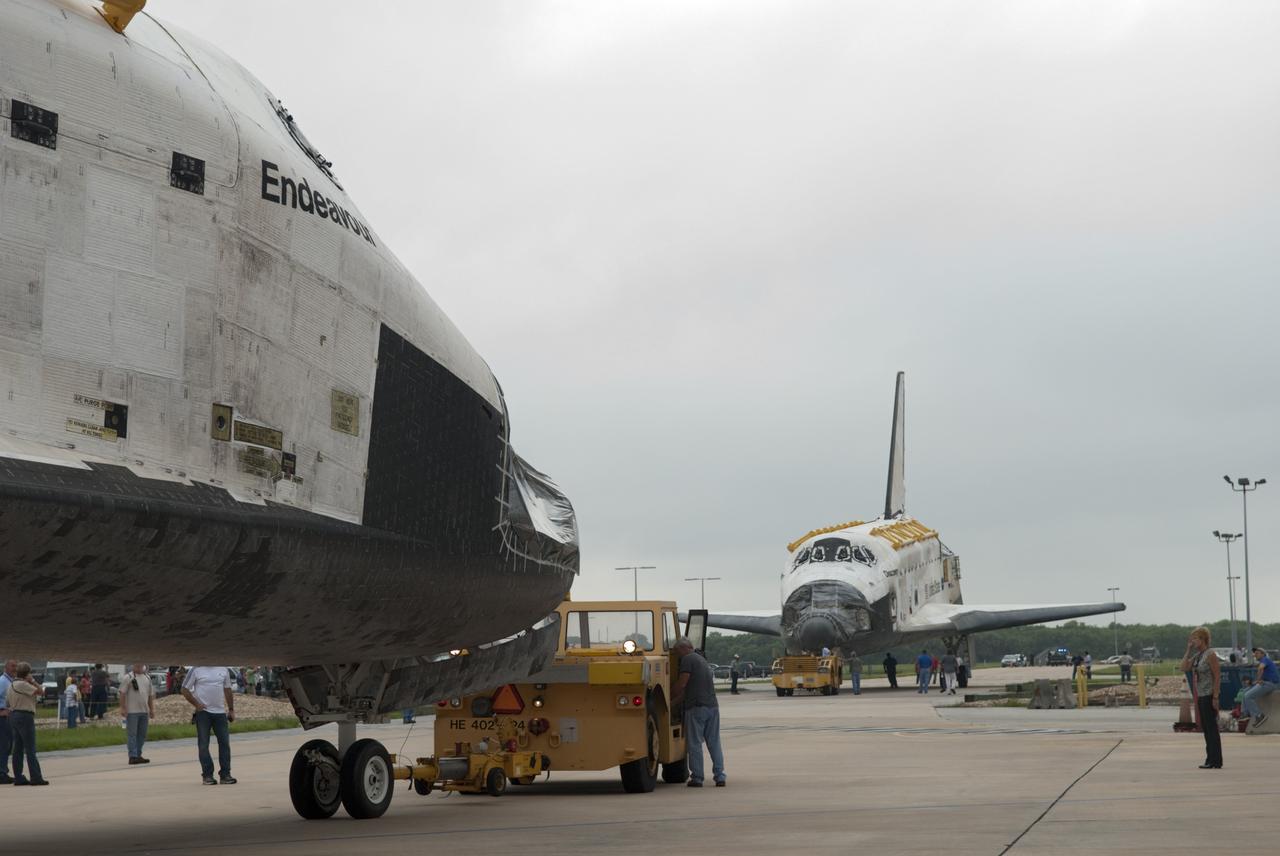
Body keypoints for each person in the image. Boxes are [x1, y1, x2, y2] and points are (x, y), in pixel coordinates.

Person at [671, 637, 725, 787]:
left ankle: (697, 777)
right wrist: (672, 703)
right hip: (712, 707)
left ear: (684, 648)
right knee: (714, 743)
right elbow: (689, 690)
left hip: (696, 708)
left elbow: (682, 684)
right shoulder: (702, 660)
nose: (677, 656)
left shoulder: (688, 659)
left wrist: (667, 695)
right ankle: (720, 776)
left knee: (694, 744)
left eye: (677, 652)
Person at [182, 666, 237, 785]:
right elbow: (184, 689)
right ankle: (207, 775)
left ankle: (225, 774)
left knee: (224, 744)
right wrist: (196, 704)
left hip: (220, 712)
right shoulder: (196, 669)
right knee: (203, 744)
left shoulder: (223, 669)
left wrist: (231, 709)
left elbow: (227, 690)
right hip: (203, 713)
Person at [1180, 627, 1222, 769]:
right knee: (1206, 728)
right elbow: (1184, 667)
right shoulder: (1198, 655)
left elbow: (1217, 676)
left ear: (1203, 639)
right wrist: (1188, 650)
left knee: (1211, 728)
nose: (1193, 641)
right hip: (1201, 695)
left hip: (1209, 694)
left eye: (1195, 638)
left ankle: (1215, 760)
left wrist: (1215, 696)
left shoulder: (1210, 654)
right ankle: (1210, 758)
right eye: (1192, 639)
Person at [5, 662, 48, 785]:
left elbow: (7, 702)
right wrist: (33, 681)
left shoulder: (11, 685)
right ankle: (36, 777)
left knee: (17, 748)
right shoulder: (23, 684)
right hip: (25, 715)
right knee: (30, 748)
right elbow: (41, 691)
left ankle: (18, 777)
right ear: (27, 673)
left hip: (14, 715)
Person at [121, 663, 157, 764]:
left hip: (144, 711)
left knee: (142, 735)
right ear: (133, 666)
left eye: (141, 665)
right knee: (132, 734)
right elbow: (122, 693)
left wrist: (152, 709)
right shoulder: (128, 677)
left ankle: (138, 754)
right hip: (132, 712)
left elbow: (150, 695)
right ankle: (132, 756)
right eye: (137, 665)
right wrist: (123, 708)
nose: (139, 667)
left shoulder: (147, 678)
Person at [1241, 646, 1279, 728]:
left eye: (1257, 653)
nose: (1255, 655)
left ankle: (1259, 715)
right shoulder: (1264, 661)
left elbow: (1260, 669)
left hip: (1271, 684)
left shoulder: (1265, 659)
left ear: (1263, 654)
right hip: (1266, 682)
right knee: (1245, 691)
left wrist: (1258, 680)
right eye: (1254, 653)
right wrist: (1255, 682)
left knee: (1248, 696)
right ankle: (1245, 713)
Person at [0, 658, 16, 784]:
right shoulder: (3, 681)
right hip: (2, 717)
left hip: (8, 716)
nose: (15, 668)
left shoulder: (11, 681)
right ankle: (2, 773)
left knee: (8, 745)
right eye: (12, 666)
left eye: (16, 666)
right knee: (4, 745)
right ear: (6, 668)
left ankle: (3, 771)